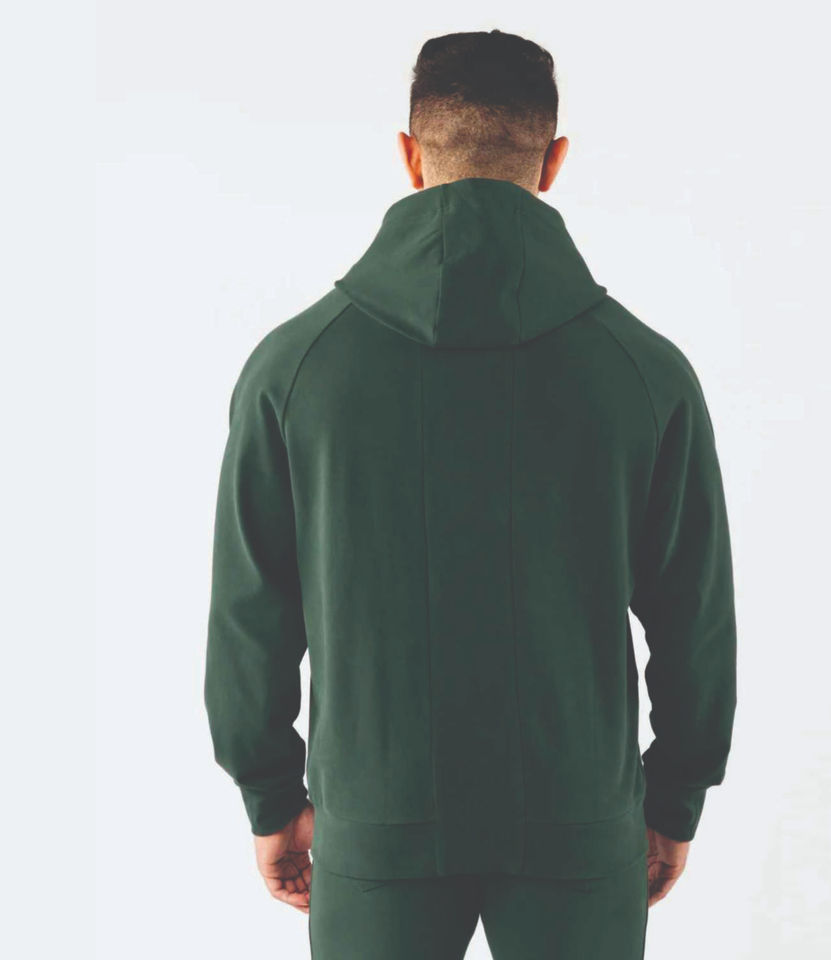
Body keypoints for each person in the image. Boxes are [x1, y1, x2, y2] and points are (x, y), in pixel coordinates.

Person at [204, 28, 737, 960]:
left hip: (375, 818)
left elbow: (251, 614)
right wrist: (675, 797)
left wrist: (272, 797)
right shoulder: (645, 373)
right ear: (553, 162)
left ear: (410, 157)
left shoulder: (295, 368)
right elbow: (696, 617)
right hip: (579, 821)